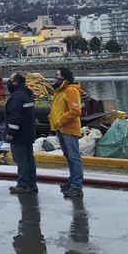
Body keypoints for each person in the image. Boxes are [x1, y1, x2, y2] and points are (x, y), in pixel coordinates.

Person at [49, 67, 84, 198]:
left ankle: (76, 186)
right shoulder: (59, 91)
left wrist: (61, 120)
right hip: (60, 128)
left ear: (64, 78)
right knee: (69, 155)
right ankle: (73, 180)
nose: (55, 78)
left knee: (74, 157)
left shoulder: (71, 90)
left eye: (57, 75)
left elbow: (75, 111)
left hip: (68, 129)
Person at [5, 72, 38, 194]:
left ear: (15, 82)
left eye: (10, 79)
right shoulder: (27, 94)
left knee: (21, 160)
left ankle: (23, 184)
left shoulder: (17, 97)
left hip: (19, 134)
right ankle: (32, 184)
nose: (9, 82)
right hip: (28, 132)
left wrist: (11, 132)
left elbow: (15, 116)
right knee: (29, 159)